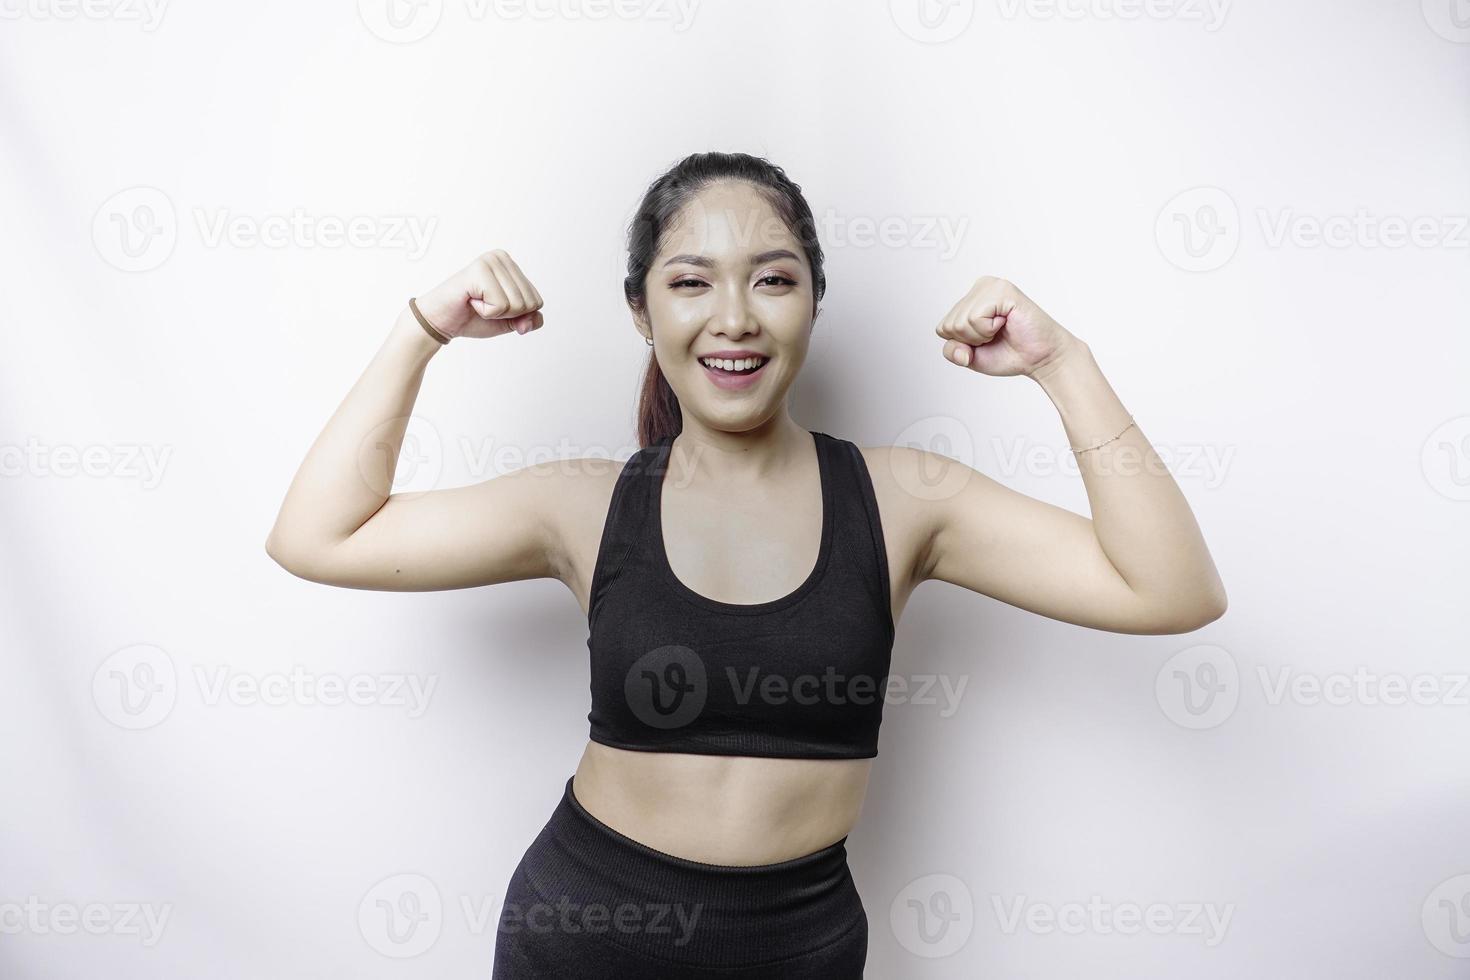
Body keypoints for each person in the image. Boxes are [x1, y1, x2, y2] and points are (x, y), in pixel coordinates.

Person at [264, 151, 1227, 977]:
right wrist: (419, 333)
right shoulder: (584, 502)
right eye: (690, 282)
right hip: (585, 934)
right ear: (642, 310)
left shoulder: (907, 499)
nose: (735, 318)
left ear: (813, 300)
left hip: (797, 949)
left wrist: (1063, 363)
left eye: (773, 278)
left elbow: (1171, 590)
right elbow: (318, 535)